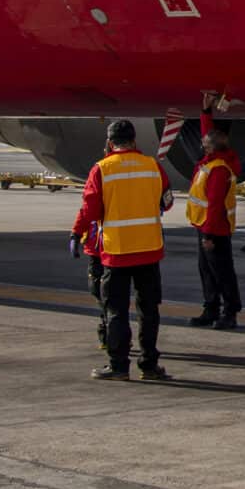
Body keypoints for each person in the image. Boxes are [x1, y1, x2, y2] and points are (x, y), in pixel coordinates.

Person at [72, 120, 174, 381]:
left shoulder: (101, 170)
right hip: (149, 249)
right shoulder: (152, 166)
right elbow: (168, 201)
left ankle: (118, 366)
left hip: (116, 252)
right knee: (149, 310)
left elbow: (90, 210)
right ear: (134, 141)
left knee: (116, 310)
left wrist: (76, 232)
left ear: (109, 142)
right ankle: (149, 365)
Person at [186, 125, 243, 329]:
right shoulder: (210, 164)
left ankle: (230, 312)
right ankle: (211, 308)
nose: (202, 144)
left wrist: (208, 235)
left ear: (211, 147)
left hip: (215, 230)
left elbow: (215, 203)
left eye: (205, 143)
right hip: (205, 225)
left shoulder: (218, 169)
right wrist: (205, 111)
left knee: (222, 272)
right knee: (207, 271)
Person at [69, 219, 108, 353]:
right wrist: (76, 234)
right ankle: (109, 331)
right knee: (97, 291)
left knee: (111, 294)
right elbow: (86, 211)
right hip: (96, 250)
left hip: (115, 249)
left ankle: (112, 332)